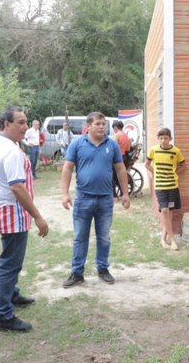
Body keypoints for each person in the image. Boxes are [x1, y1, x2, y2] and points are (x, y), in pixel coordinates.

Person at [0, 107, 50, 332]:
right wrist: (38, 217)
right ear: (6, 124)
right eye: (20, 123)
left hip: (6, 209)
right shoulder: (11, 150)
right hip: (12, 211)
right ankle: (3, 315)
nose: (25, 127)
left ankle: (11, 295)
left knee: (12, 260)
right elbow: (16, 186)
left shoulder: (2, 144)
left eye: (26, 122)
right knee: (10, 263)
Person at [60, 112, 130, 288]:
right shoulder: (77, 144)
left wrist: (125, 193)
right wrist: (65, 194)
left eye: (103, 124)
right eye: (98, 124)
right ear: (88, 126)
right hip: (83, 198)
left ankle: (103, 269)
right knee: (79, 237)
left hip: (105, 199)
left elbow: (121, 169)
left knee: (104, 237)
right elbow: (67, 169)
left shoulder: (112, 144)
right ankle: (77, 273)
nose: (101, 127)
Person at [145, 127, 186, 251]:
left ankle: (163, 238)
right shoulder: (153, 150)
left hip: (173, 186)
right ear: (158, 139)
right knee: (164, 211)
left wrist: (175, 173)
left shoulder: (176, 151)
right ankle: (172, 240)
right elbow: (147, 164)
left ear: (170, 138)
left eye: (166, 138)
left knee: (170, 212)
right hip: (160, 186)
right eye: (161, 138)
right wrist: (155, 172)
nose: (163, 140)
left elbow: (184, 165)